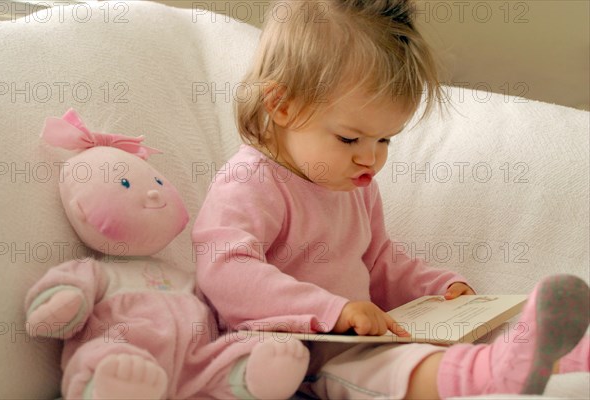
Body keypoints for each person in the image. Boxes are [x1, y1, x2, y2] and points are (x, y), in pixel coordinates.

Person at [192, 1, 590, 398]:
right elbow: (226, 270)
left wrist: (436, 289)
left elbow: (379, 261)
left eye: (385, 139)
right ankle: (493, 376)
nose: (371, 158)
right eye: (350, 138)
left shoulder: (353, 185)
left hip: (355, 341)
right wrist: (334, 310)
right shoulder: (251, 182)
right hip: (288, 352)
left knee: (419, 348)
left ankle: (557, 361)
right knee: (390, 368)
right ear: (281, 105)